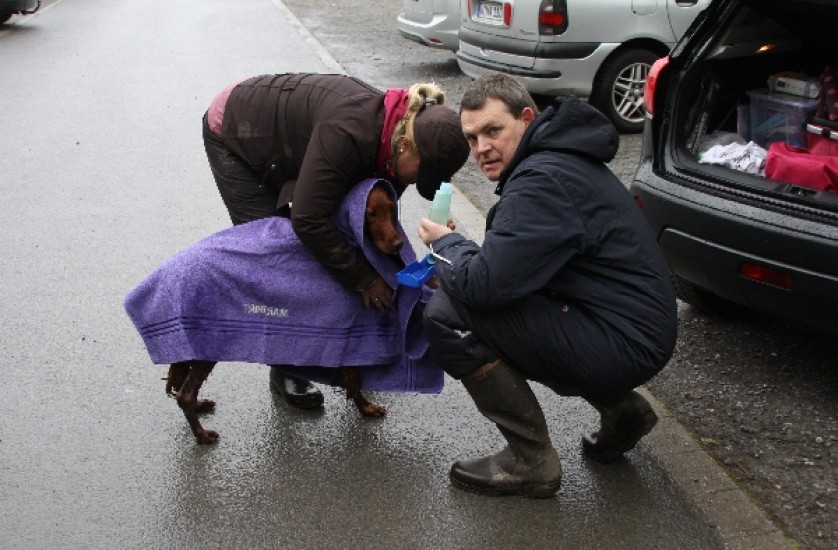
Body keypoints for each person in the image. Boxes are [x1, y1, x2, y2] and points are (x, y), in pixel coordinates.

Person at [418, 73, 678, 498]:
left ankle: (530, 461)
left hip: (623, 342)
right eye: (472, 138)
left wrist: (444, 245)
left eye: (493, 130)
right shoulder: (557, 159)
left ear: (526, 118)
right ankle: (623, 411)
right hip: (631, 328)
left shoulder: (542, 181)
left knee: (449, 315)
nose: (481, 148)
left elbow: (482, 286)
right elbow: (510, 269)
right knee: (495, 295)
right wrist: (459, 255)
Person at [202, 73, 469, 410]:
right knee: (279, 259)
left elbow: (363, 229)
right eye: (421, 172)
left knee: (337, 248)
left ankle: (356, 352)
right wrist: (365, 279)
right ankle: (288, 368)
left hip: (300, 144)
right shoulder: (350, 134)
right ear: (404, 145)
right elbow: (309, 219)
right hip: (239, 131)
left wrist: (419, 264)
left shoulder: (397, 139)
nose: (416, 182)